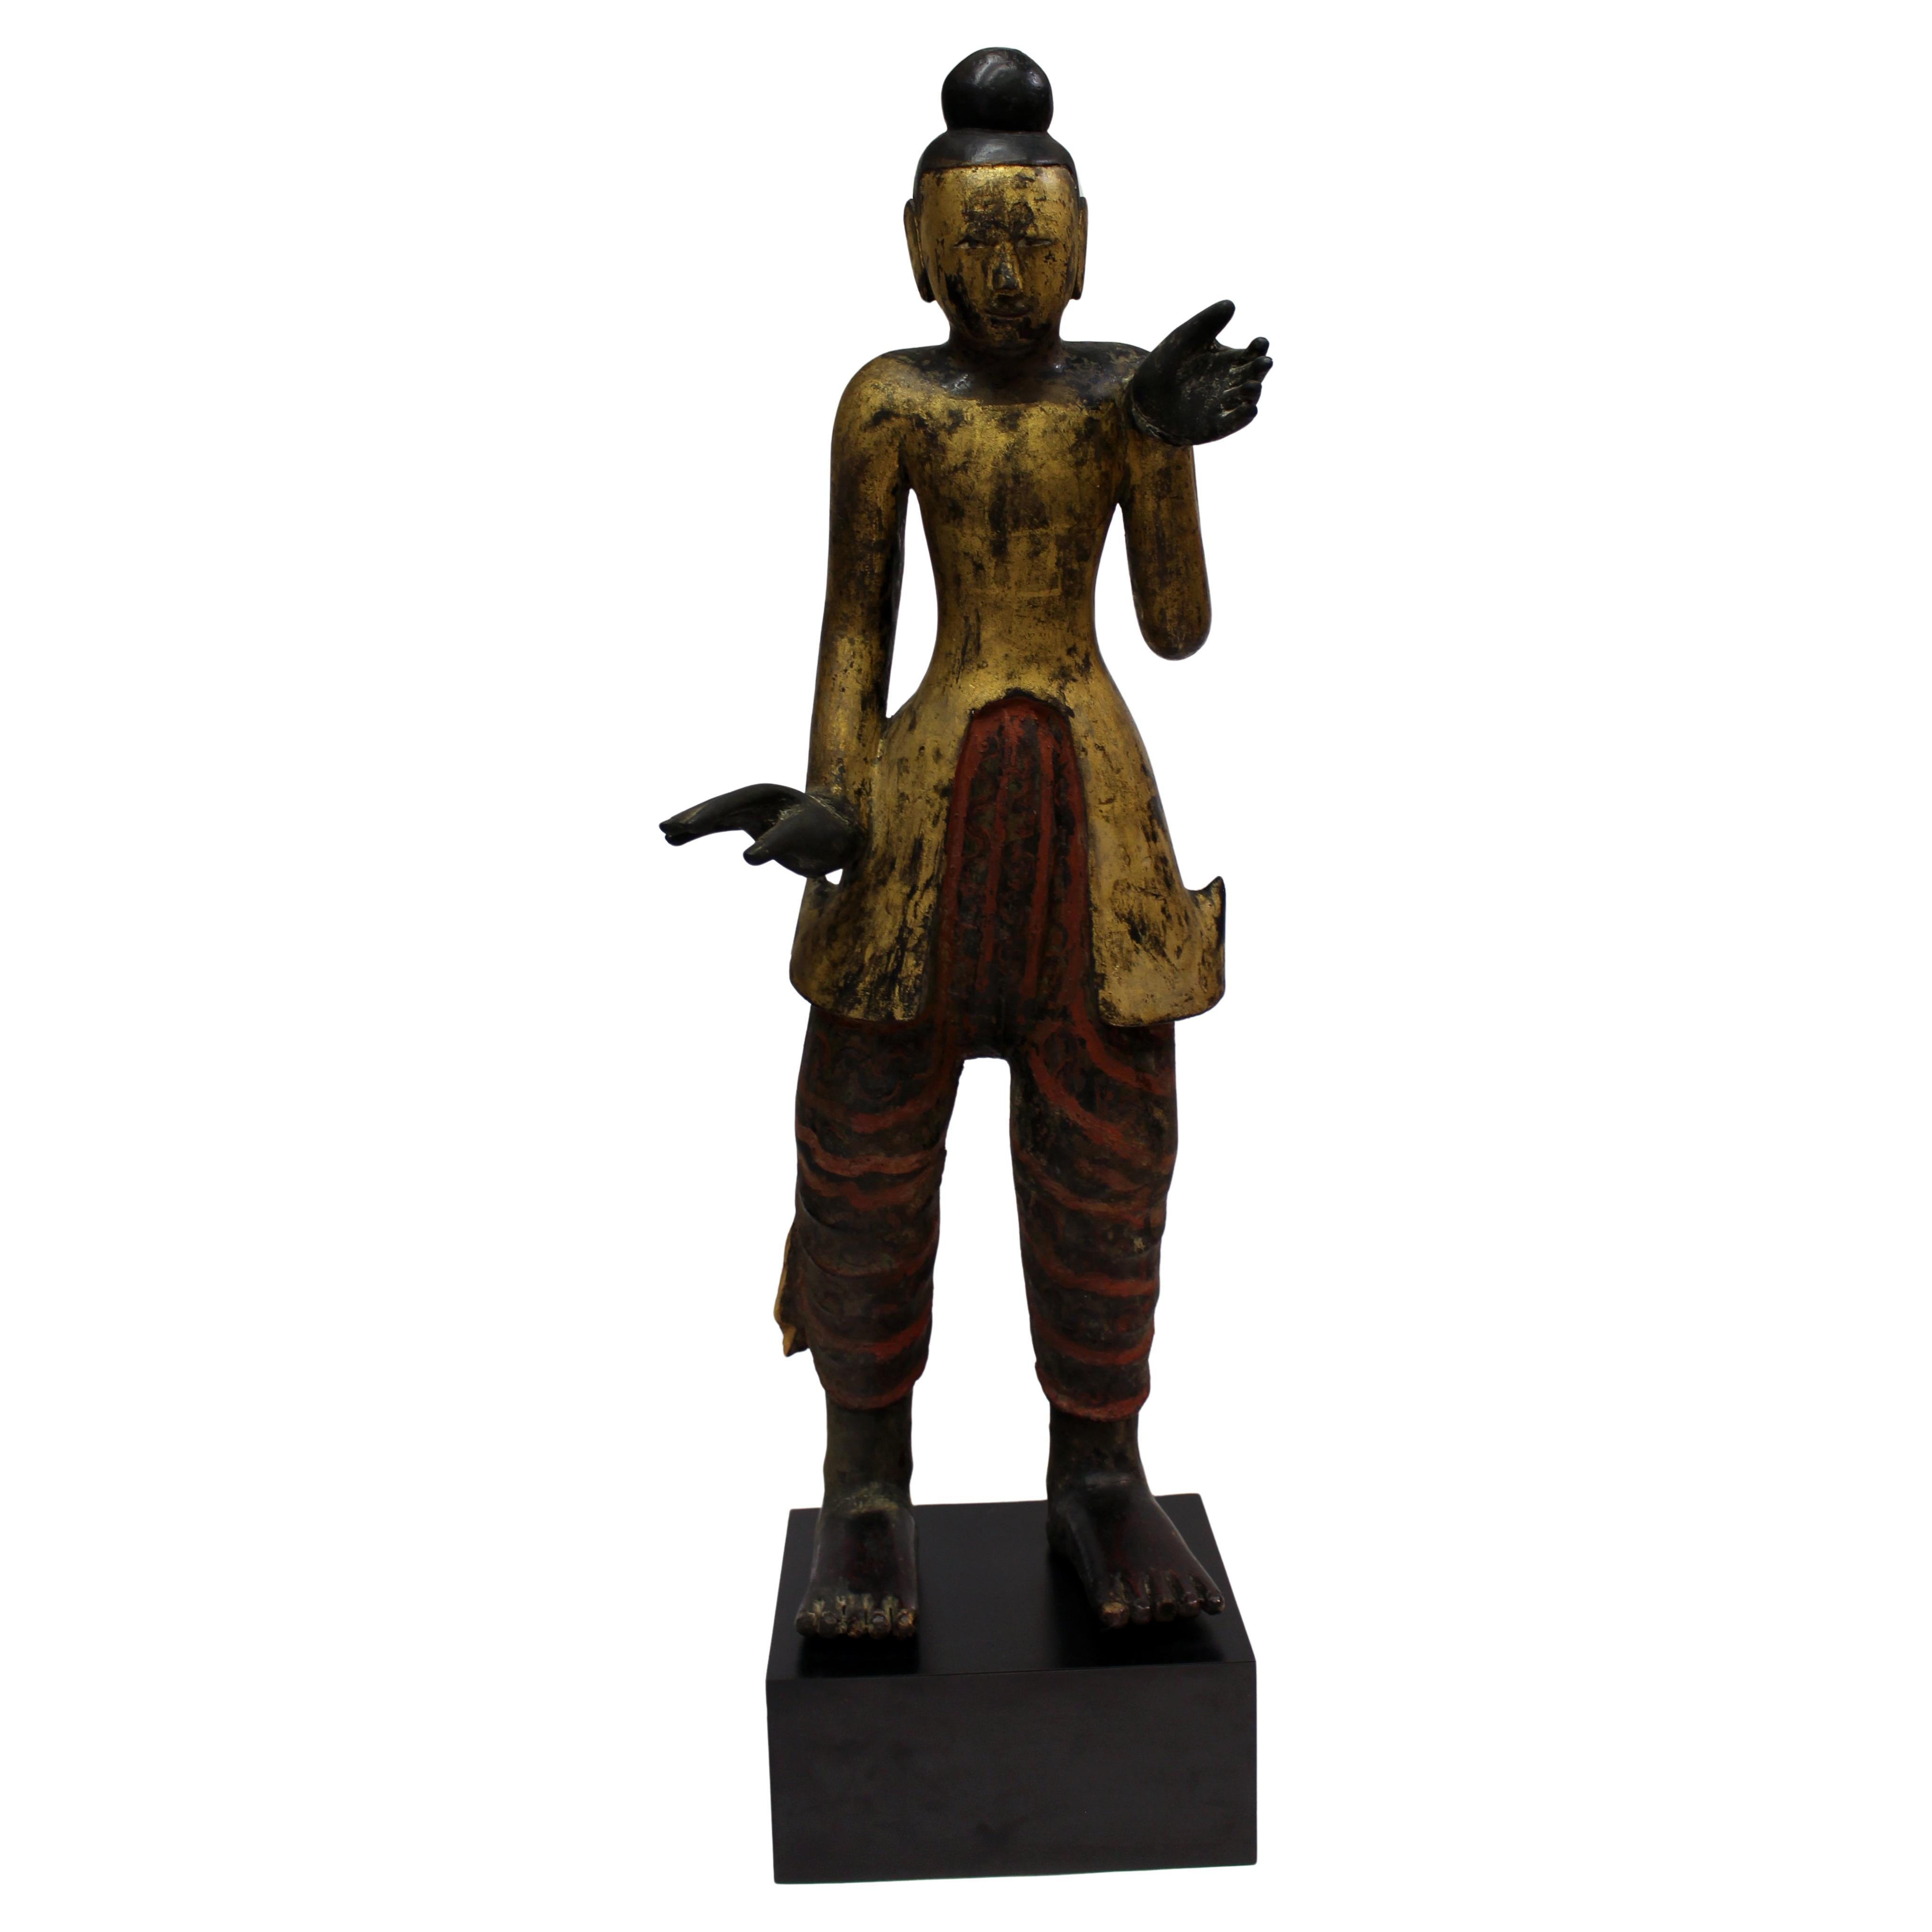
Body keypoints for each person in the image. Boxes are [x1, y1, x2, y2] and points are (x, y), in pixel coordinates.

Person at [663, 48, 1270, 1636]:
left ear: (1085, 245)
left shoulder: (1121, 393)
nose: (1008, 275)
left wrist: (1167, 445)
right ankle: (865, 1487)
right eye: (977, 243)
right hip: (921, 803)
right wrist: (831, 800)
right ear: (919, 248)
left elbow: (1175, 627)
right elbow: (855, 627)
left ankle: (1100, 1472)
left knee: (1108, 1144)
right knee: (862, 1147)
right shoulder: (890, 401)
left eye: (1036, 243)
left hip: (1089, 808)